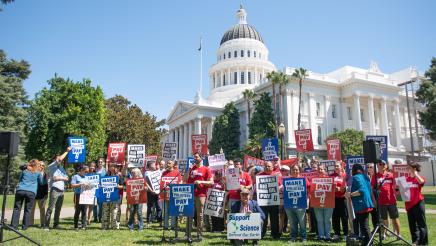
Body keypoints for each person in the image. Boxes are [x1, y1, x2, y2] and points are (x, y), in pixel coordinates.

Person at [184, 152, 213, 241]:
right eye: (194, 157)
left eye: (197, 157)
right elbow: (185, 180)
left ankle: (199, 234)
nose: (195, 158)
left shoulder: (206, 169)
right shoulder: (192, 168)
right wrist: (188, 171)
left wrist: (201, 182)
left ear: (201, 158)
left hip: (201, 195)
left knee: (200, 215)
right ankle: (187, 234)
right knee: (189, 214)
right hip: (191, 194)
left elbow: (211, 182)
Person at [11, 159, 45, 230]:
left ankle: (14, 226)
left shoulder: (24, 171)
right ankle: (24, 227)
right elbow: (41, 182)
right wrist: (42, 174)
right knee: (28, 210)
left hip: (21, 190)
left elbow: (20, 179)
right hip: (31, 192)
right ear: (37, 165)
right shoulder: (38, 173)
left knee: (17, 208)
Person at [346, 163, 374, 246]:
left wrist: (350, 194)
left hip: (361, 204)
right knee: (364, 226)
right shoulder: (366, 176)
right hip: (366, 203)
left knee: (364, 226)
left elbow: (362, 190)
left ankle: (369, 243)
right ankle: (366, 242)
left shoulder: (356, 177)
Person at [371, 160, 401, 238]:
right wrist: (374, 200)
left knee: (395, 218)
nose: (382, 165)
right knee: (384, 219)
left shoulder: (391, 175)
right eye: (380, 164)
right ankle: (383, 234)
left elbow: (396, 187)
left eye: (383, 164)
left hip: (391, 201)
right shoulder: (375, 176)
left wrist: (397, 190)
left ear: (386, 166)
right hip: (381, 201)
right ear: (377, 166)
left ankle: (398, 234)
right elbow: (371, 189)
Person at [44, 147, 71, 230]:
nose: (60, 160)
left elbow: (67, 178)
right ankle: (46, 225)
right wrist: (67, 151)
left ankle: (56, 224)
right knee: (50, 208)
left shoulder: (61, 168)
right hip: (55, 189)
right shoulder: (51, 166)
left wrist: (60, 178)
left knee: (58, 208)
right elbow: (57, 178)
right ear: (54, 160)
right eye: (58, 158)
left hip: (62, 190)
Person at [404, 162, 428, 246]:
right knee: (412, 224)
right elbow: (401, 193)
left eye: (408, 167)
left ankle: (423, 242)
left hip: (418, 203)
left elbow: (421, 182)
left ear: (414, 168)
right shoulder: (405, 179)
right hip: (409, 204)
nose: (407, 169)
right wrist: (397, 188)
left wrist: (416, 174)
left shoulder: (419, 178)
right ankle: (415, 241)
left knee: (421, 223)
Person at [284, 164, 309, 243]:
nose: (295, 171)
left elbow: (309, 188)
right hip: (289, 204)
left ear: (299, 170)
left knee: (302, 222)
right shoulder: (286, 180)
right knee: (292, 222)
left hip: (301, 205)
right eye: (293, 170)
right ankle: (293, 237)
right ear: (290, 171)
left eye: (296, 169)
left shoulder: (304, 179)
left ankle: (304, 237)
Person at [257, 161, 282, 239]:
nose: (267, 168)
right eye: (266, 166)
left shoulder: (277, 175)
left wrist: (278, 188)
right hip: (263, 201)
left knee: (275, 218)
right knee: (263, 218)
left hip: (274, 200)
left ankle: (275, 234)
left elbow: (281, 185)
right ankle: (261, 234)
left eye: (269, 166)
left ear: (272, 167)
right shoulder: (259, 176)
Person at [312, 164, 334, 241]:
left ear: (325, 170)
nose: (320, 171)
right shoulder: (314, 180)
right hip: (317, 203)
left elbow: (334, 189)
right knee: (320, 220)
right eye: (319, 169)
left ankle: (328, 236)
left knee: (327, 220)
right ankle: (321, 236)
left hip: (328, 202)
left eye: (322, 169)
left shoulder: (330, 179)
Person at [160, 160, 183, 230]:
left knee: (173, 211)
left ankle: (173, 226)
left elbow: (180, 183)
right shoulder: (164, 173)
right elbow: (161, 183)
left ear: (173, 164)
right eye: (167, 163)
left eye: (169, 163)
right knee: (165, 211)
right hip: (165, 195)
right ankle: (166, 226)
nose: (168, 164)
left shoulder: (177, 173)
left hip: (174, 196)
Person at [101, 163, 124, 230]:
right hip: (107, 196)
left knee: (115, 211)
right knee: (105, 211)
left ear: (115, 167)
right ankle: (105, 226)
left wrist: (117, 186)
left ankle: (115, 226)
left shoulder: (119, 176)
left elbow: (123, 186)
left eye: (112, 166)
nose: (111, 168)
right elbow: (102, 184)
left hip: (116, 196)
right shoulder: (106, 175)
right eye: (109, 166)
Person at [331, 161, 348, 241]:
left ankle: (345, 234)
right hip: (334, 199)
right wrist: (333, 189)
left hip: (343, 198)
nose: (336, 167)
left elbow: (347, 186)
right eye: (335, 166)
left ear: (341, 167)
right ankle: (337, 233)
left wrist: (341, 189)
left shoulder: (345, 175)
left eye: (337, 166)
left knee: (344, 217)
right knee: (335, 217)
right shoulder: (331, 176)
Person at [29, 161, 49, 227]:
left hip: (43, 195)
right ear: (38, 166)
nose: (41, 166)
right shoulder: (34, 173)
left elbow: (46, 184)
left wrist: (46, 194)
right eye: (40, 165)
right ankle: (30, 223)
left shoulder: (46, 174)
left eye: (43, 165)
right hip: (34, 194)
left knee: (42, 210)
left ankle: (42, 224)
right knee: (32, 210)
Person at [70, 165, 90, 230]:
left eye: (87, 172)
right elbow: (72, 185)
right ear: (81, 170)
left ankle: (83, 225)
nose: (86, 173)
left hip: (85, 195)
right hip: (78, 195)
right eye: (86, 171)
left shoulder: (86, 177)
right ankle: (76, 226)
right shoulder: (75, 176)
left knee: (84, 210)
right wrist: (80, 184)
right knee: (77, 210)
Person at [144, 160, 162, 227]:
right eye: (154, 165)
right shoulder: (147, 173)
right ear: (150, 166)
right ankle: (149, 221)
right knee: (150, 207)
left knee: (159, 207)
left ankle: (160, 221)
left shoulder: (157, 172)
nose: (155, 165)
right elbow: (146, 183)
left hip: (157, 192)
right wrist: (151, 190)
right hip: (150, 193)